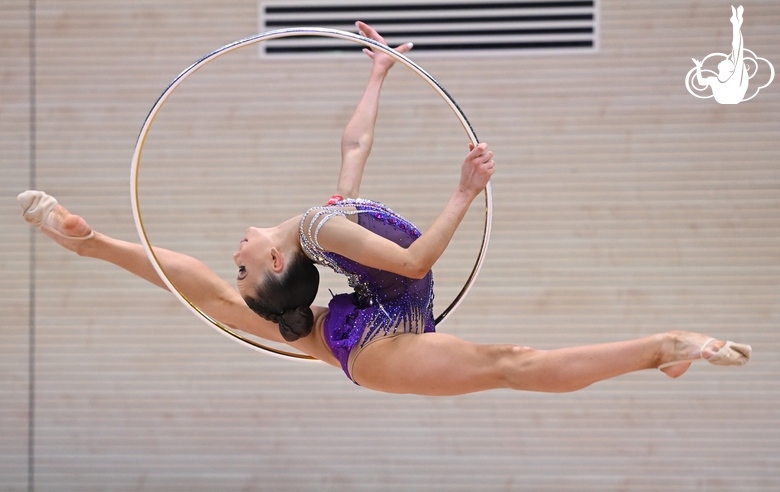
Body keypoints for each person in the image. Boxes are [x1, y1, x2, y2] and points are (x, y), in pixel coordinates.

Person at [18, 22, 751, 396]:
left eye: (237, 261)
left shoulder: (320, 222)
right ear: (276, 263)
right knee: (509, 364)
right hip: (378, 345)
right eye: (241, 263)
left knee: (210, 300)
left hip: (371, 324)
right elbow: (416, 262)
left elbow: (354, 146)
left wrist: (377, 75)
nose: (234, 249)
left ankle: (87, 243)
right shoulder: (317, 230)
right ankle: (666, 347)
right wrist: (463, 191)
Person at [692, 5, 749, 104]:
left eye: (728, 61)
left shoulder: (734, 78)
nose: (725, 59)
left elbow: (737, 49)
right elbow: (701, 82)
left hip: (733, 97)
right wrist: (698, 67)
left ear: (729, 69)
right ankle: (736, 23)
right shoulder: (715, 80)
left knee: (737, 50)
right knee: (736, 51)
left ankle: (736, 23)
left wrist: (736, 25)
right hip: (728, 98)